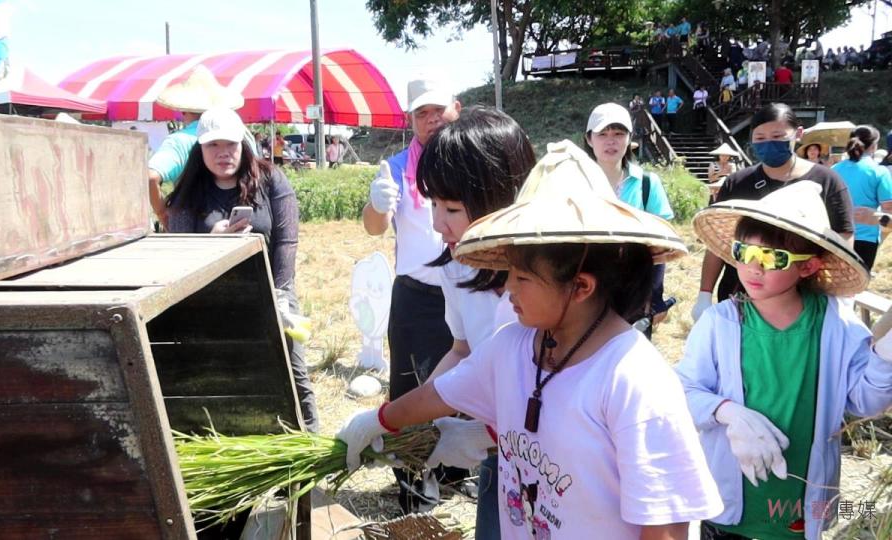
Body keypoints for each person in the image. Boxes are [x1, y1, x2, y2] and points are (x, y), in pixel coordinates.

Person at [337, 141, 724, 539]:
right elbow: (440, 394)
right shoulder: (513, 346)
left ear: (580, 286)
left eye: (521, 277)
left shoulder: (635, 380)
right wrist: (379, 421)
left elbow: (666, 527)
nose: (507, 289)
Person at [679, 181, 892, 540]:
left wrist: (885, 354)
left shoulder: (836, 324)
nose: (753, 267)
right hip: (729, 505)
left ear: (808, 267)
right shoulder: (720, 323)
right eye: (744, 252)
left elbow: (867, 400)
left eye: (772, 258)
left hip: (801, 504)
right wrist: (727, 411)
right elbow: (684, 389)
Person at [416, 105, 537, 540]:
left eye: (450, 207)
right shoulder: (455, 266)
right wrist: (419, 417)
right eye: (432, 204)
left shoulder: (550, 275)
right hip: (499, 455)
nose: (436, 223)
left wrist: (487, 432)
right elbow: (462, 350)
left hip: (560, 464)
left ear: (499, 197)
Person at [164, 107, 319, 432]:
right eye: (213, 146)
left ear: (243, 144)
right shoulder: (189, 193)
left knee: (293, 371)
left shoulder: (270, 179)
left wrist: (279, 294)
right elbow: (176, 254)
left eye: (230, 145)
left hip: (272, 291)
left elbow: (287, 242)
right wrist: (212, 239)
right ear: (200, 149)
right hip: (213, 301)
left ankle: (309, 449)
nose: (223, 154)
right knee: (231, 379)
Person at [361, 77, 462, 513]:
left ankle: (456, 471)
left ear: (455, 108)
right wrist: (377, 205)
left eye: (438, 109)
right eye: (422, 113)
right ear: (411, 120)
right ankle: (412, 478)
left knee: (463, 383)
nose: (431, 119)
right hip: (415, 295)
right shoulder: (398, 165)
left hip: (466, 289)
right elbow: (373, 228)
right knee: (409, 384)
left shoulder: (470, 160)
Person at [691, 103, 854, 322]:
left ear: (798, 134)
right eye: (760, 138)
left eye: (777, 135)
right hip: (739, 294)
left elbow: (843, 237)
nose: (768, 143)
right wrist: (704, 293)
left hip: (804, 296)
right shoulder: (738, 182)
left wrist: (840, 294)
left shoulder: (827, 181)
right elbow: (717, 246)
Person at [584, 103, 675, 332]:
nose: (610, 141)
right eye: (602, 134)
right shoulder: (576, 183)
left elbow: (660, 245)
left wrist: (654, 295)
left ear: (629, 138)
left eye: (618, 133)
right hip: (586, 291)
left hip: (635, 292)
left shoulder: (647, 183)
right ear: (589, 139)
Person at [148, 66, 244, 229]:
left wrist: (163, 214)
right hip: (242, 219)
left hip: (196, 224)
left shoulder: (180, 140)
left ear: (185, 111)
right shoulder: (240, 136)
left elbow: (151, 177)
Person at [831, 125, 892, 270]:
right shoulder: (879, 171)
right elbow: (888, 208)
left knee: (835, 288)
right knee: (856, 288)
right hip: (866, 238)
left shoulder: (833, 170)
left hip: (835, 237)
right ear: (874, 146)